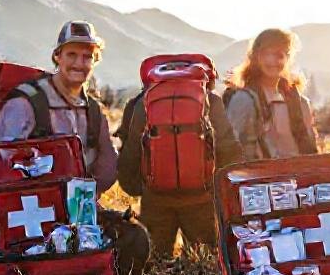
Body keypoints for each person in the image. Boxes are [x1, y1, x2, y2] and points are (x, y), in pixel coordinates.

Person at [0, 20, 151, 275]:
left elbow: (107, 166)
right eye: (71, 54)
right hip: (31, 216)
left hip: (78, 212)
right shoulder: (26, 103)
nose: (79, 63)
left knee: (135, 238)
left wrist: (89, 197)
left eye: (87, 56)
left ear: (95, 60)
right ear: (57, 56)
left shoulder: (93, 111)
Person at [116, 61, 245, 259]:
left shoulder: (143, 102)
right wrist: (221, 191)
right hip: (202, 200)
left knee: (154, 262)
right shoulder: (211, 100)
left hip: (155, 200)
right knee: (204, 263)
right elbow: (228, 149)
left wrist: (138, 188)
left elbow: (131, 150)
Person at [224, 28, 319, 159]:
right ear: (256, 58)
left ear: (288, 58)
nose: (271, 61)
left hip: (299, 170)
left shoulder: (300, 102)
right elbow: (230, 149)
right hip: (259, 171)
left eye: (278, 55)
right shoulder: (244, 100)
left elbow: (311, 150)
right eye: (265, 54)